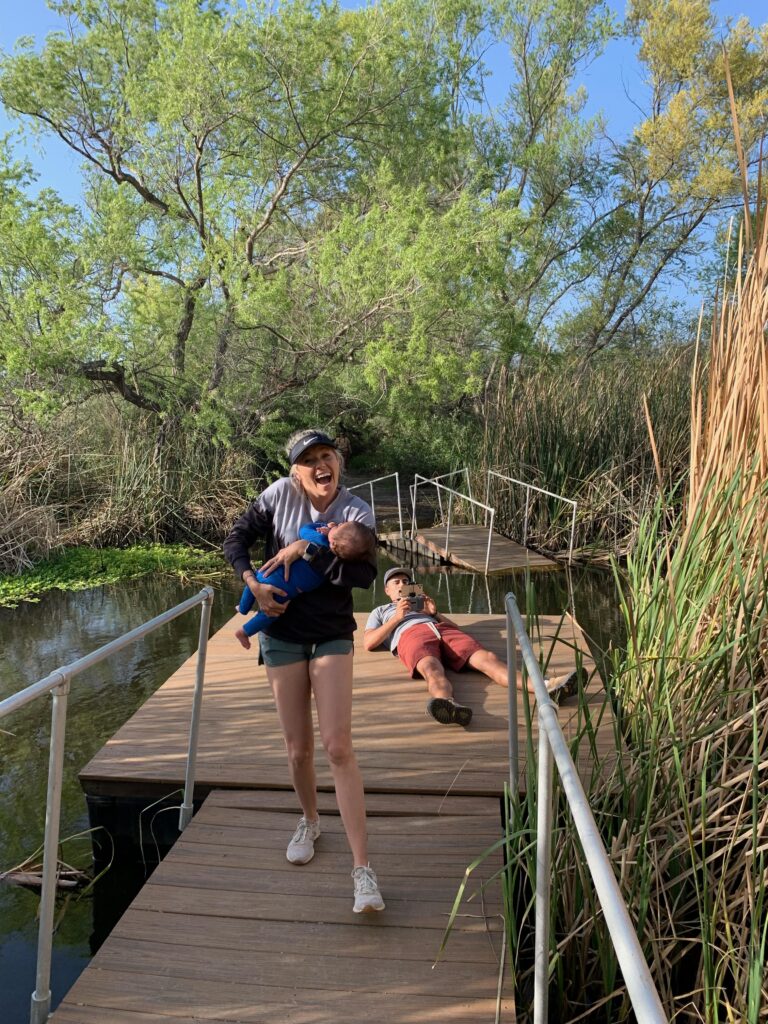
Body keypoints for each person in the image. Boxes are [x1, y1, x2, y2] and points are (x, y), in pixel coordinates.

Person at [223, 429, 384, 913]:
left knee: (337, 746)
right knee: (298, 750)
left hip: (332, 632)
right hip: (281, 633)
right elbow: (235, 538)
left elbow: (361, 575)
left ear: (338, 462)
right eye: (308, 460)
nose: (319, 465)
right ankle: (311, 821)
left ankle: (363, 871)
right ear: (296, 470)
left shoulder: (356, 512)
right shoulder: (278, 496)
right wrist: (253, 580)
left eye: (326, 456)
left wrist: (309, 550)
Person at [364, 567, 582, 727]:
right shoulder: (381, 611)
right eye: (397, 582)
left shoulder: (422, 604)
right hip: (410, 635)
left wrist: (433, 613)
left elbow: (456, 627)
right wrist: (397, 618)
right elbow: (369, 643)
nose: (402, 585)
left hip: (442, 630)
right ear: (387, 590)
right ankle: (446, 704)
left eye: (405, 581)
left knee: (488, 659)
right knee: (432, 668)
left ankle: (548, 687)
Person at [235, 520, 375, 648]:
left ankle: (243, 608)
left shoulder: (319, 540)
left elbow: (304, 530)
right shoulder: (332, 565)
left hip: (271, 576)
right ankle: (244, 631)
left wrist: (323, 526)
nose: (336, 524)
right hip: (287, 592)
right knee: (270, 615)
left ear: (333, 542)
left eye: (338, 526)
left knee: (253, 584)